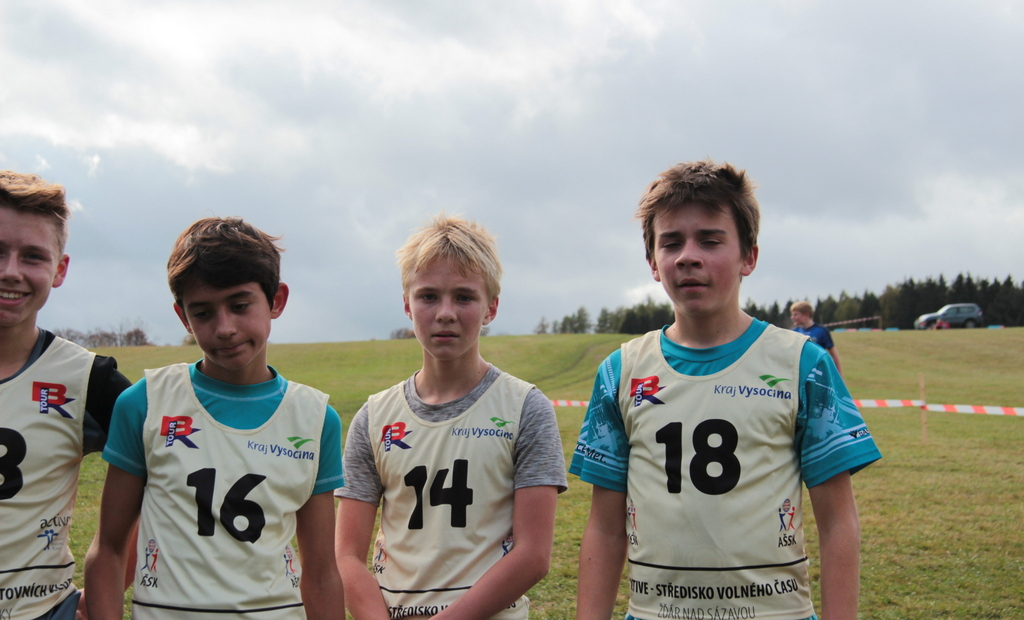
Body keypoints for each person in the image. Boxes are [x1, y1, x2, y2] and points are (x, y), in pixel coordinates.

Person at [571, 161, 882, 620]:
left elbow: (837, 523)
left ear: (748, 257)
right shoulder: (620, 371)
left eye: (710, 240)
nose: (688, 256)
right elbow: (605, 527)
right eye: (671, 242)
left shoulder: (803, 365)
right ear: (653, 263)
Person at [84, 217, 345, 619]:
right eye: (203, 312)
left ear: (276, 300)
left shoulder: (315, 419)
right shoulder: (145, 403)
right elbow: (109, 549)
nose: (224, 328)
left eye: (240, 306)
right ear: (183, 317)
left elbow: (322, 573)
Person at [335, 214, 567, 620]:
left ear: (491, 308)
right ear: (407, 305)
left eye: (463, 297)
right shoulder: (374, 417)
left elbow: (533, 555)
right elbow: (347, 556)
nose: (445, 313)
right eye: (428, 296)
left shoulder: (525, 408)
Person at [0, 170, 132, 620]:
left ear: (59, 270)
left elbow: (168, 476)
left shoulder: (88, 379)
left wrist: (104, 589)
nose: (10, 271)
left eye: (33, 256)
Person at [790, 301, 842, 375]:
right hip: (801, 374)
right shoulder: (794, 332)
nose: (792, 317)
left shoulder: (821, 331)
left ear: (806, 314)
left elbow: (834, 355)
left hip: (819, 373)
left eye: (795, 314)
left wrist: (839, 376)